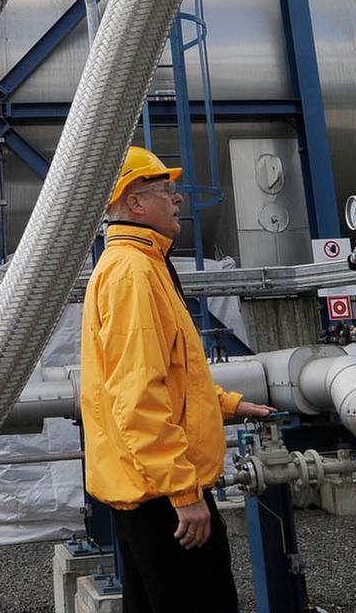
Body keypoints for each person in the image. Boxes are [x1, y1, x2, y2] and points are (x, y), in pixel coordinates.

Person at [79, 145, 275, 613]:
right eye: (166, 189)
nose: (179, 199)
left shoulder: (141, 265)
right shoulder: (133, 273)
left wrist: (226, 404)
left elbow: (170, 371)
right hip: (162, 497)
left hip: (145, 488)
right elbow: (137, 396)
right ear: (135, 203)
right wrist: (184, 495)